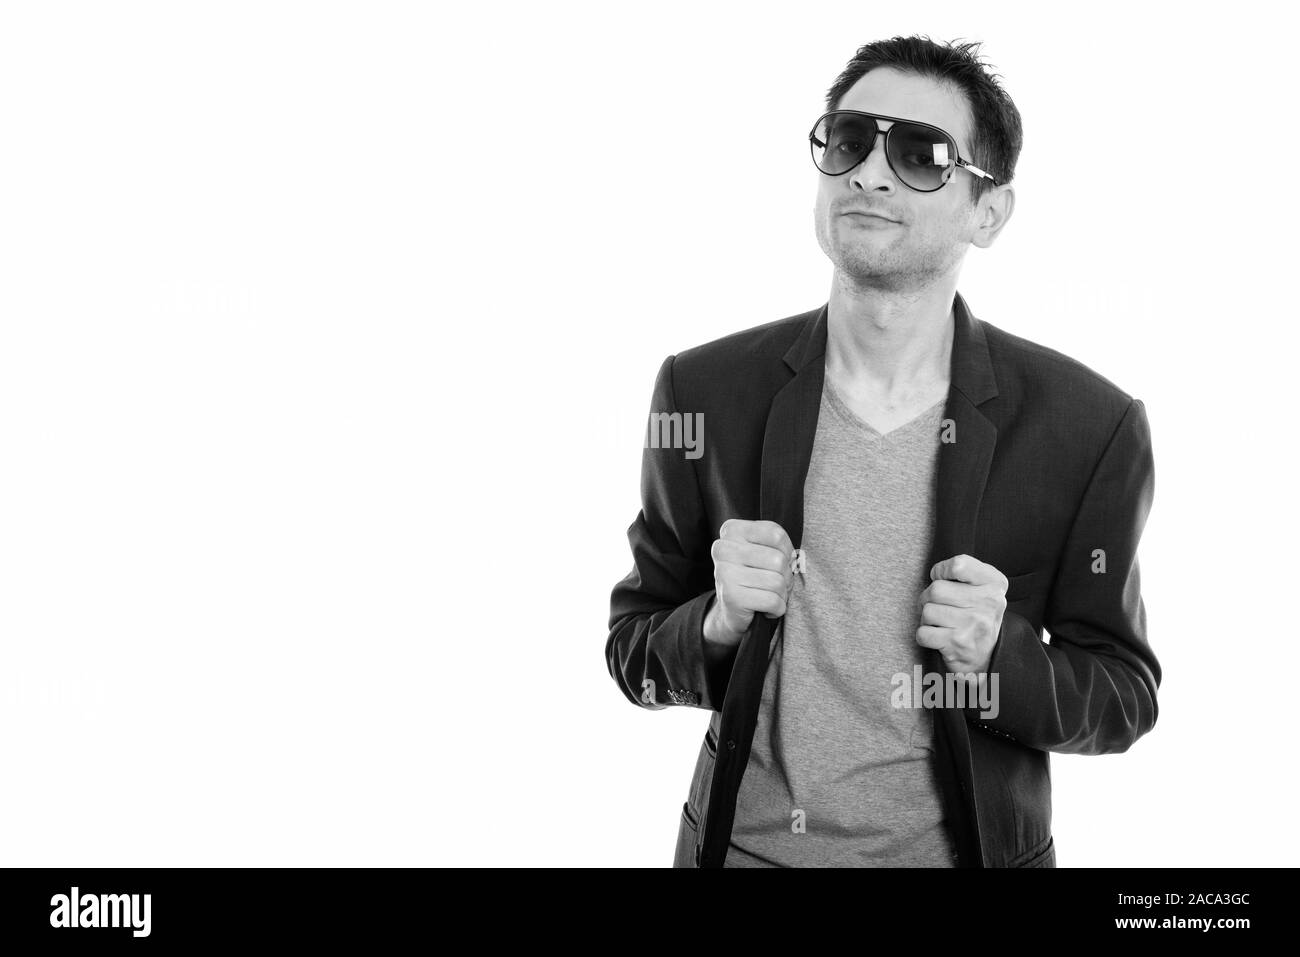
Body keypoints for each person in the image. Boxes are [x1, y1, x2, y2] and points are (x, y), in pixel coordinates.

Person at [606, 35, 1159, 868]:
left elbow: (1124, 695)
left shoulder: (1089, 426)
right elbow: (633, 648)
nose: (869, 173)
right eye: (848, 139)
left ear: (989, 211)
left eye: (921, 155)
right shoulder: (703, 391)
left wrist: (998, 656)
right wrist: (717, 622)